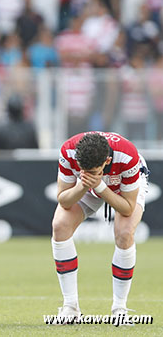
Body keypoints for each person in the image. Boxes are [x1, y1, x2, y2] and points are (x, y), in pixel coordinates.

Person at [50, 132, 149, 323]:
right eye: (83, 171)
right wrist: (83, 185)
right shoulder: (69, 150)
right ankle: (70, 307)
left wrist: (101, 187)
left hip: (121, 187)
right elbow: (63, 200)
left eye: (93, 172)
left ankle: (119, 308)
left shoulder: (127, 156)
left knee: (124, 233)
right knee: (60, 225)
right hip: (85, 188)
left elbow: (128, 208)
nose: (88, 176)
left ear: (107, 161)